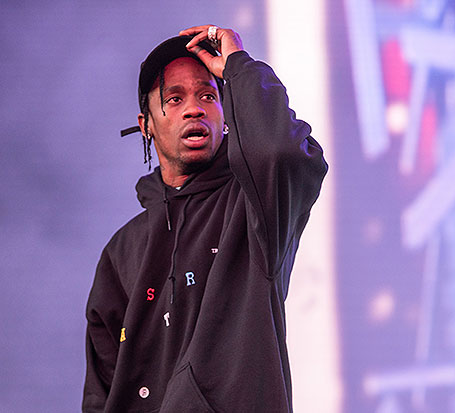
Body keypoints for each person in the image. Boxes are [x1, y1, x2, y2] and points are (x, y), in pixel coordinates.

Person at [83, 24, 328, 412]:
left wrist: (236, 64)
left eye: (208, 96)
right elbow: (101, 392)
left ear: (226, 116)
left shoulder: (255, 204)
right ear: (146, 125)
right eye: (174, 98)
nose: (194, 108)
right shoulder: (122, 251)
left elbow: (283, 152)